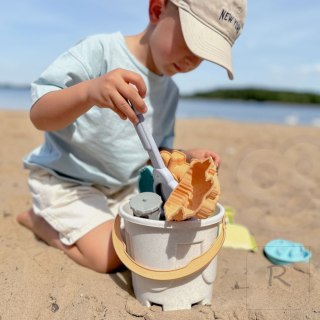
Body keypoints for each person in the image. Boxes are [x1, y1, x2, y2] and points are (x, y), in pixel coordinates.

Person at [17, 0, 247, 273]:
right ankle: (38, 220)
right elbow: (40, 116)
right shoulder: (100, 51)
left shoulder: (170, 93)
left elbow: (155, 152)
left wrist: (185, 156)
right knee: (110, 257)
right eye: (192, 42)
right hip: (67, 181)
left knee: (164, 232)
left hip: (123, 187)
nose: (193, 60)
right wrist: (89, 91)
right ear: (157, 10)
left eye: (204, 54)